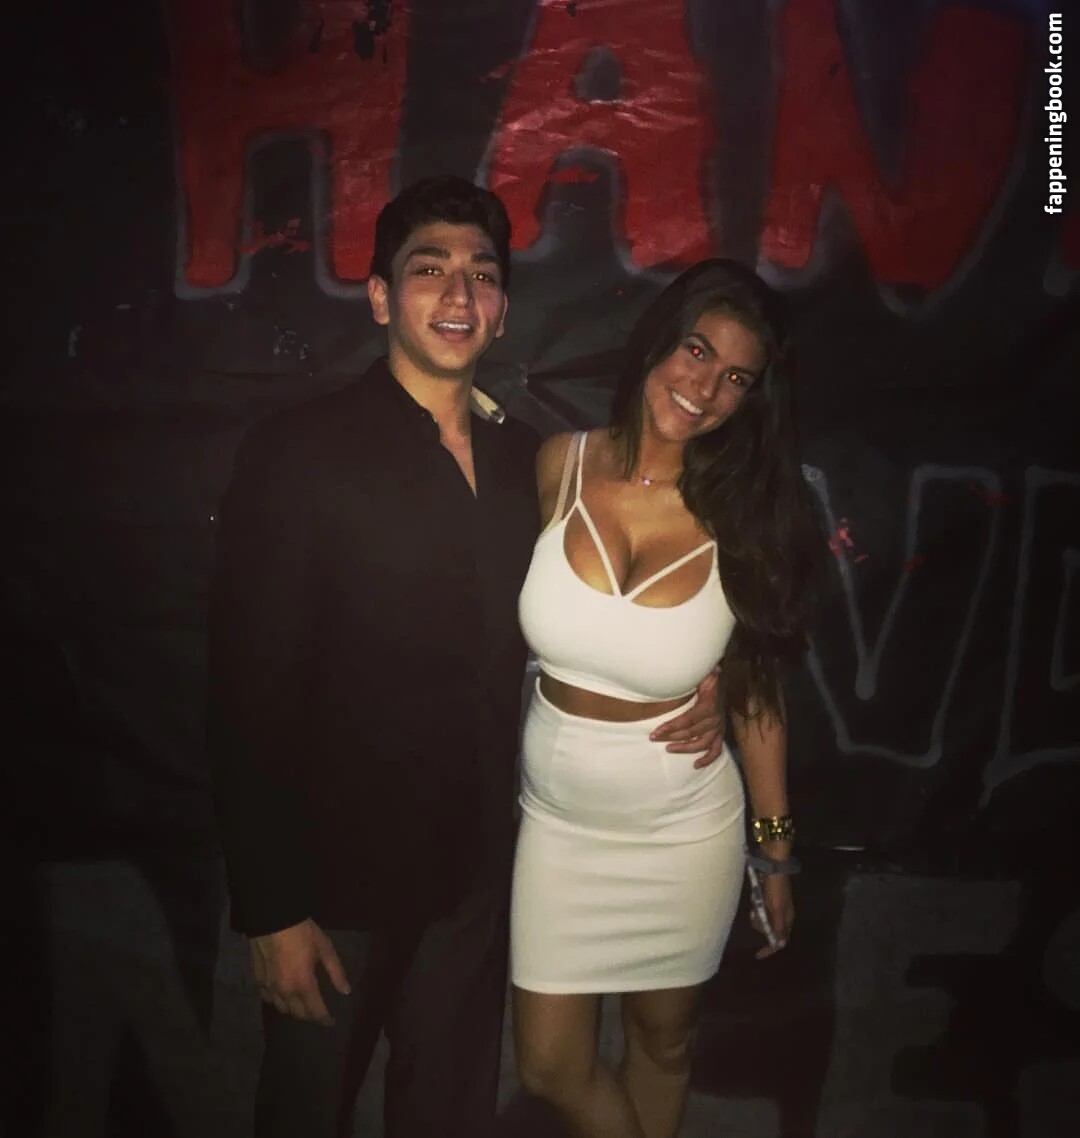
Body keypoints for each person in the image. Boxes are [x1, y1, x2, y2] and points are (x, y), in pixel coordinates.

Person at [206, 176, 727, 1138]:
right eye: (429, 270)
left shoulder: (530, 461)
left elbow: (609, 601)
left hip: (478, 880)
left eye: (482, 276)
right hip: (335, 884)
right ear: (380, 298)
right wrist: (270, 910)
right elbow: (247, 692)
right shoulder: (300, 453)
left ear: (502, 311)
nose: (458, 294)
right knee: (303, 1114)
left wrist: (708, 677)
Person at [511, 258, 821, 1137]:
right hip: (559, 828)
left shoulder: (748, 514)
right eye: (696, 350)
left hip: (683, 832)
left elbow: (757, 693)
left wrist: (775, 850)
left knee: (662, 1043)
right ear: (659, 341)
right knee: (550, 1066)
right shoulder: (560, 465)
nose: (705, 388)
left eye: (737, 379)